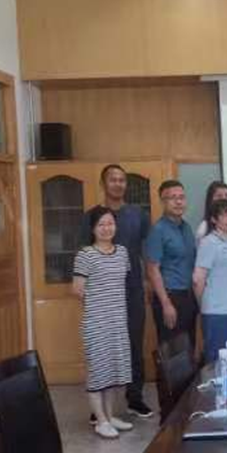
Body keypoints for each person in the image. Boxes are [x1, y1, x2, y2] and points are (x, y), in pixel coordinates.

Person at [82, 164, 153, 421]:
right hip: (102, 294)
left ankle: (135, 398)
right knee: (103, 349)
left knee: (134, 345)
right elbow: (84, 255)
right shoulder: (91, 216)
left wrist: (147, 280)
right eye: (113, 180)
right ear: (103, 184)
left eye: (122, 180)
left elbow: (145, 250)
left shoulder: (138, 215)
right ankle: (99, 409)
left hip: (132, 290)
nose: (118, 184)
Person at [73, 207, 134, 439]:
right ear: (92, 228)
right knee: (98, 373)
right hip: (96, 324)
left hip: (118, 322)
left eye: (110, 223)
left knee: (115, 373)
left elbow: (121, 283)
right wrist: (99, 305)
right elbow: (77, 290)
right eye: (101, 224)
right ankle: (100, 421)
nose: (107, 228)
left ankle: (110, 416)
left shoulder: (122, 252)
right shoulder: (85, 255)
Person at [145, 180, 199, 350]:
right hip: (170, 297)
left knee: (188, 348)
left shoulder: (187, 228)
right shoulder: (158, 230)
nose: (178, 201)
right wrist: (166, 304)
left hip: (188, 297)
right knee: (173, 354)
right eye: (172, 198)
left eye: (181, 197)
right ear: (163, 202)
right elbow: (152, 269)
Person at [193, 199, 227, 364]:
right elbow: (198, 279)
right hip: (216, 313)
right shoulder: (209, 242)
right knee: (218, 362)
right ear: (213, 219)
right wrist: (203, 305)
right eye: (224, 215)